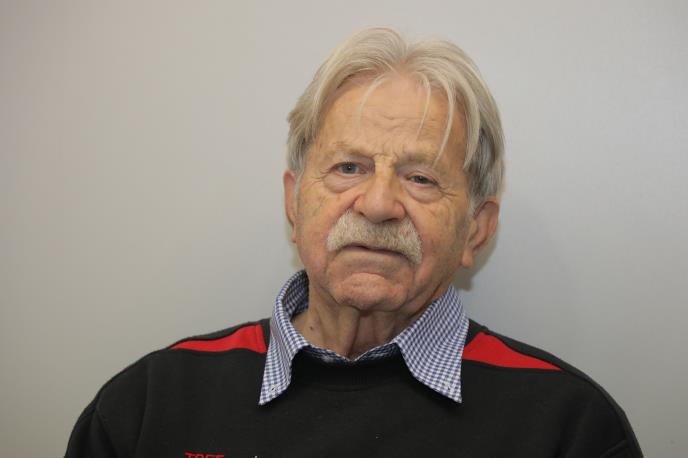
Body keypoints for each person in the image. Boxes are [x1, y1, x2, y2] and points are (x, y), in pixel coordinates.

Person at [66, 27, 643, 457]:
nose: (378, 204)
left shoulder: (571, 429)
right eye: (348, 167)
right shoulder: (149, 407)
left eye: (420, 177)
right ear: (294, 203)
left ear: (476, 228)